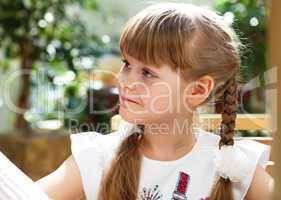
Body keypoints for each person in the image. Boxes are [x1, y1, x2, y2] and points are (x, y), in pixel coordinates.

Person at [36, 3, 274, 200]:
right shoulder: (97, 158)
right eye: (127, 64)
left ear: (197, 90)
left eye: (147, 73)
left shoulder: (237, 171)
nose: (123, 80)